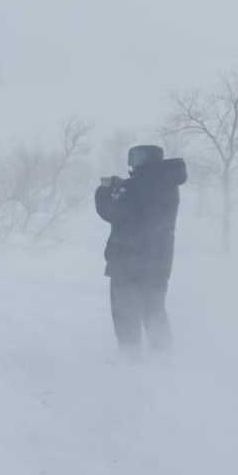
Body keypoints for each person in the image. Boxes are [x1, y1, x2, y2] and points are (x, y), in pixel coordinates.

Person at [94, 144, 187, 353]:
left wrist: (104, 192)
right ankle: (163, 358)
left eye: (137, 157)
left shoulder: (141, 185)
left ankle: (131, 360)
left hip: (129, 261)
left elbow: (115, 213)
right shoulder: (167, 183)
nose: (133, 162)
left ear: (149, 159)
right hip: (158, 263)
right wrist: (123, 187)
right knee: (154, 310)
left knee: (125, 312)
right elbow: (141, 205)